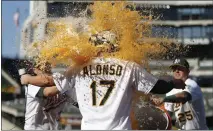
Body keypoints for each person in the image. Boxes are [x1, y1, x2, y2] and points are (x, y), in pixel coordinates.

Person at [21, 31, 186, 130]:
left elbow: (51, 83)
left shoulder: (78, 68)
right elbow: (159, 87)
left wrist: (27, 78)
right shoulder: (129, 67)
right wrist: (174, 83)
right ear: (113, 47)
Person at [154, 58, 208, 130]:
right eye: (174, 69)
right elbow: (167, 116)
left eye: (180, 68)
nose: (176, 71)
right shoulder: (171, 91)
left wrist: (163, 99)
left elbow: (184, 96)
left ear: (188, 71)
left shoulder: (192, 84)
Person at [19, 64, 77, 130]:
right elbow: (48, 92)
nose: (47, 68)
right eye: (42, 67)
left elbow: (76, 102)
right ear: (35, 70)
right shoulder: (30, 85)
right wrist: (66, 83)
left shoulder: (61, 83)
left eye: (48, 66)